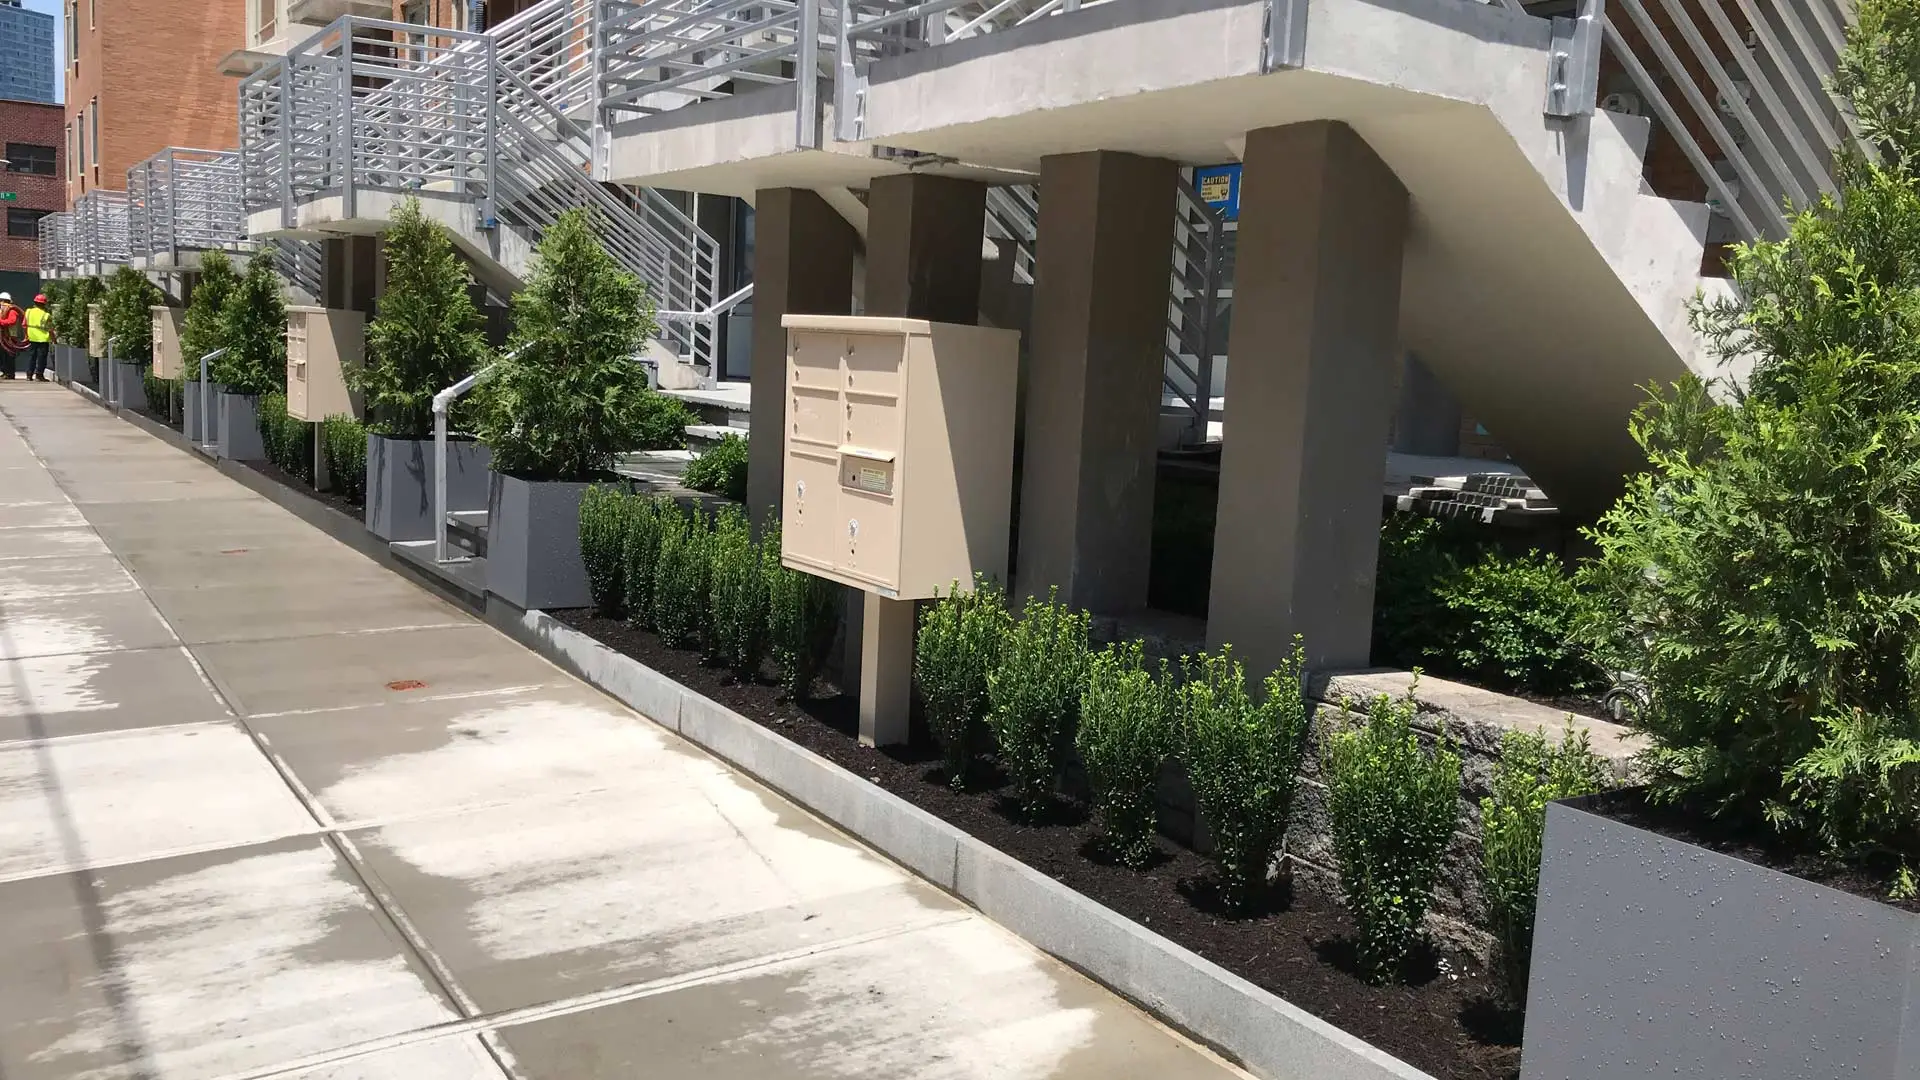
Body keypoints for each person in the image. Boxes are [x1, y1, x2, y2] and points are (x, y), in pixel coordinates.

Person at [23, 293, 53, 382]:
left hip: (32, 337)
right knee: (41, 358)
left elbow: (24, 325)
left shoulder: (28, 311)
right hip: (43, 339)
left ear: (35, 302)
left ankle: (29, 375)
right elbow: (50, 329)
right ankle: (39, 375)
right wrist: (54, 339)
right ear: (44, 304)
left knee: (32, 357)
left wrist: (26, 335)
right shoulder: (46, 315)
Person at [0, 294, 22, 380]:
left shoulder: (12, 311)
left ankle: (10, 373)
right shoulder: (1, 311)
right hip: (2, 337)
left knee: (9, 356)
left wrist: (1, 322)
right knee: (2, 356)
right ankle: (5, 372)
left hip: (10, 337)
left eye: (2, 301)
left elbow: (11, 321)